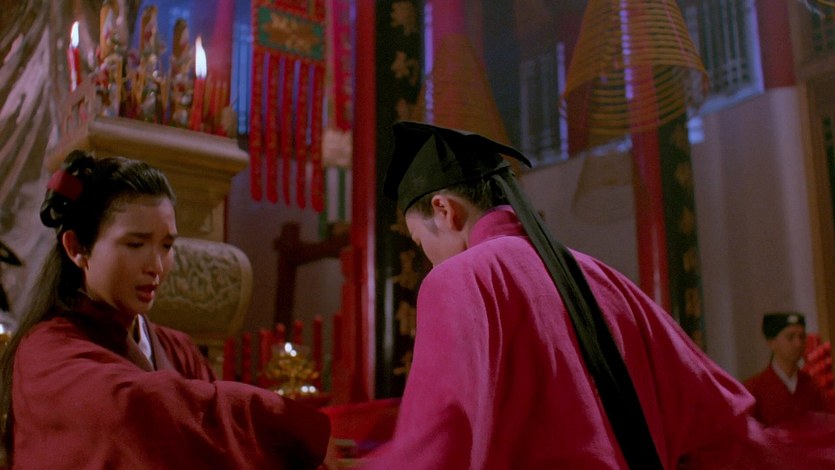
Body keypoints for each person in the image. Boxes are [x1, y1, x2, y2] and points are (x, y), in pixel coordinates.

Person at [360, 121, 835, 469]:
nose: (430, 261)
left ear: (444, 209)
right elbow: (712, 419)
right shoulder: (599, 275)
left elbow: (438, 442)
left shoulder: (458, 280)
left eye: (421, 244)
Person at [0, 151, 330, 468]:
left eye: (167, 245)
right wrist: (281, 418)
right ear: (77, 248)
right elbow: (135, 411)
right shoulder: (46, 350)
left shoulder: (178, 348)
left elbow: (217, 448)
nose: (156, 266)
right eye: (135, 244)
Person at [745, 312, 833, 426]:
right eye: (790, 337)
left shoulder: (813, 386)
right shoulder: (753, 390)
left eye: (802, 337)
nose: (798, 343)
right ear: (771, 343)